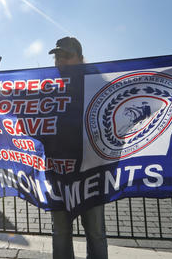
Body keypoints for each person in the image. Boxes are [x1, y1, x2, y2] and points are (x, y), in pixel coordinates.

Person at [48, 37, 108, 259]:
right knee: (61, 232)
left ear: (81, 59)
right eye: (57, 56)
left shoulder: (98, 83)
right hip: (58, 171)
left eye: (66, 56)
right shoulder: (48, 86)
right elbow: (16, 99)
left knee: (95, 233)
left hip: (92, 171)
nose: (60, 61)